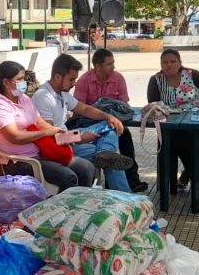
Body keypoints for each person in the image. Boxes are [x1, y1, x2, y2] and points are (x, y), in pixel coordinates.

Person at [0, 60, 95, 193]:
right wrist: (46, 133)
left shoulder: (24, 99)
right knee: (68, 177)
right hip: (21, 162)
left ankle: (79, 207)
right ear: (6, 82)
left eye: (24, 79)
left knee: (86, 167)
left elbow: (40, 123)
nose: (23, 83)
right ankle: (59, 211)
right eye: (19, 79)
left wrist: (71, 137)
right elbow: (15, 136)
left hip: (42, 151)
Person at [33, 54, 134, 191]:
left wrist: (109, 116)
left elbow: (85, 109)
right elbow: (50, 139)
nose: (74, 83)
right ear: (58, 77)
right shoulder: (43, 97)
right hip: (60, 147)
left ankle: (105, 152)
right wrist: (79, 138)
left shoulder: (62, 93)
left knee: (109, 125)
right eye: (71, 79)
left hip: (68, 137)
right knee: (113, 160)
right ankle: (125, 198)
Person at [74, 49, 146, 192]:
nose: (113, 67)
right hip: (88, 123)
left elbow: (124, 105)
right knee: (112, 146)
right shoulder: (84, 81)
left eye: (113, 63)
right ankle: (124, 189)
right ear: (97, 66)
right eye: (109, 64)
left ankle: (132, 178)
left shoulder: (118, 78)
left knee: (123, 135)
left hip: (113, 121)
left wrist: (111, 115)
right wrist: (103, 115)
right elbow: (79, 110)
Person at [147, 48, 199, 188]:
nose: (169, 65)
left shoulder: (193, 75)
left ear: (180, 62)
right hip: (171, 125)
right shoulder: (156, 80)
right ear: (161, 64)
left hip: (198, 123)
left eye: (173, 61)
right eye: (165, 62)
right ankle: (196, 181)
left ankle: (189, 176)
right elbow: (153, 105)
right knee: (179, 140)